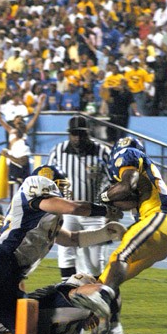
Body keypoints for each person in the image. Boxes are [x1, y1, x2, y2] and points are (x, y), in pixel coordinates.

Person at [0, 166, 125, 334]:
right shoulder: (34, 190)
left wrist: (105, 234)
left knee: (23, 327)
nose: (64, 191)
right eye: (59, 185)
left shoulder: (46, 218)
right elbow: (73, 208)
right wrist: (105, 210)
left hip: (10, 272)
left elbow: (72, 239)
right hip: (1, 259)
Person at [89, 136, 167, 334]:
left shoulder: (128, 154)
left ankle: (104, 300)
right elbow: (130, 197)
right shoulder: (142, 169)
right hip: (156, 230)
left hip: (159, 218)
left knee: (120, 257)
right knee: (109, 275)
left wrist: (103, 195)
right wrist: (109, 202)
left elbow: (126, 185)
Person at [47, 116, 111, 280]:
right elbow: (47, 179)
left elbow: (114, 180)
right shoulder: (58, 151)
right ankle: (66, 288)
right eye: (74, 134)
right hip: (67, 210)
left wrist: (110, 207)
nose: (77, 138)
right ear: (69, 134)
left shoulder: (102, 152)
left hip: (94, 212)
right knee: (65, 251)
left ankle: (98, 290)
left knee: (96, 258)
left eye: (81, 134)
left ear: (88, 133)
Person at [0, 95, 45, 193]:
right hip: (13, 159)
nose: (19, 120)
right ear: (14, 122)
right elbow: (0, 120)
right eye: (17, 119)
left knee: (24, 185)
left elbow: (35, 117)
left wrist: (40, 104)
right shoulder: (11, 130)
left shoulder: (25, 130)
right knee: (13, 185)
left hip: (22, 158)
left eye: (20, 119)